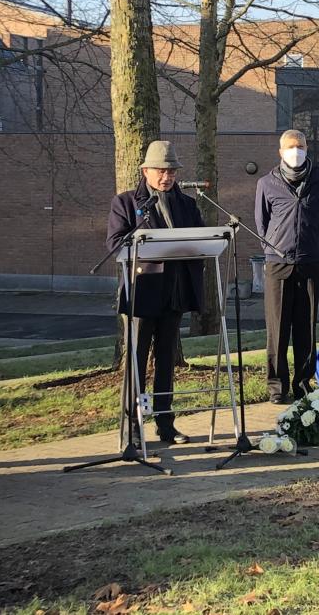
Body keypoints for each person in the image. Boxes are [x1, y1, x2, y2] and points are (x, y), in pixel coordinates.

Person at [107, 140, 204, 444]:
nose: (167, 177)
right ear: (146, 170)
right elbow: (115, 244)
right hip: (142, 294)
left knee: (165, 361)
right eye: (161, 171)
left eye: (172, 171)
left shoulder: (187, 204)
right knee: (136, 360)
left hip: (175, 293)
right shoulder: (125, 202)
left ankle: (165, 424)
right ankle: (131, 430)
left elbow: (201, 241)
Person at [255, 129, 319, 404]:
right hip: (278, 264)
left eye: (299, 146)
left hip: (310, 263)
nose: (295, 150)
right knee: (277, 329)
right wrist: (274, 248)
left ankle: (303, 385)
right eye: (290, 146)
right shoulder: (267, 183)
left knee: (305, 327)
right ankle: (277, 388)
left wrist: (311, 246)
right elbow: (261, 223)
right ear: (280, 152)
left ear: (307, 148)